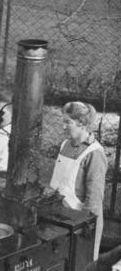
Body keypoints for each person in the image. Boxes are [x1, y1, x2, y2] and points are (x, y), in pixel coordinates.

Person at [49, 101, 107, 259]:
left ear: (82, 123)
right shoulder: (65, 145)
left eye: (68, 122)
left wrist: (83, 228)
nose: (63, 127)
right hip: (57, 216)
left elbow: (94, 201)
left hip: (78, 223)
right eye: (63, 121)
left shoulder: (94, 153)